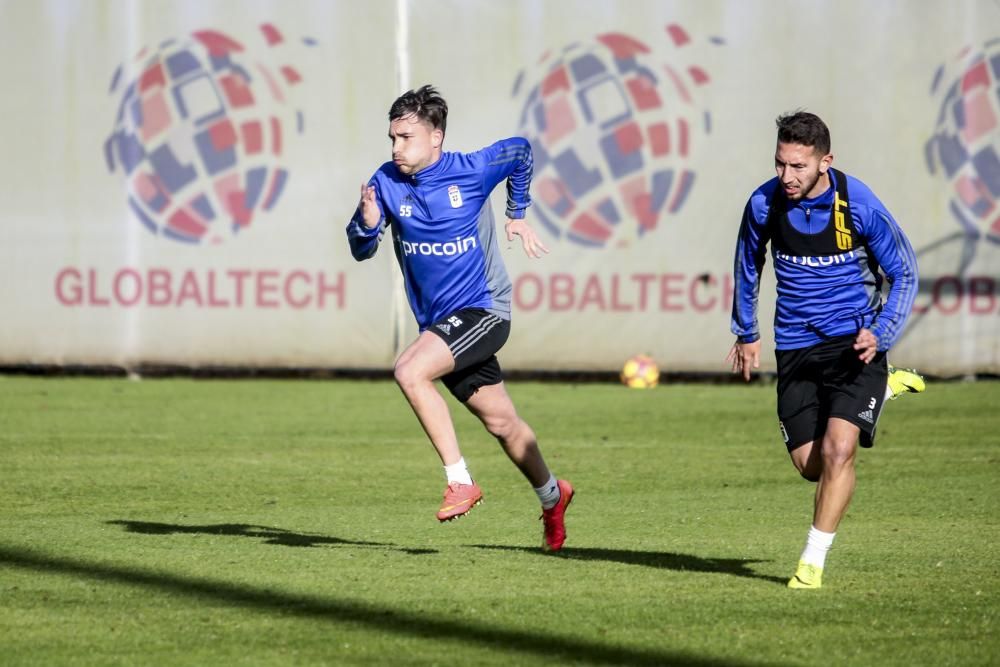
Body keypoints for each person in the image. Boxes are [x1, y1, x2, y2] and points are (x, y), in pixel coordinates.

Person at [347, 85, 574, 551]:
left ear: (436, 137)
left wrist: (517, 212)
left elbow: (521, 152)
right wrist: (368, 221)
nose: (395, 148)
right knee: (503, 425)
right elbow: (360, 248)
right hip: (442, 326)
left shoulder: (471, 170)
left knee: (409, 370)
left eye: (406, 137)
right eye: (392, 137)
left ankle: (460, 480)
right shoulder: (386, 181)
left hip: (485, 310)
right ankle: (553, 495)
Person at [727, 111, 921, 589]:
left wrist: (883, 332)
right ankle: (885, 392)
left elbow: (904, 272)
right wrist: (746, 332)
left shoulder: (859, 205)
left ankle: (812, 562)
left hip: (855, 346)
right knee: (811, 466)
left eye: (797, 166)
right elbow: (747, 266)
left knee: (839, 451)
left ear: (825, 162)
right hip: (794, 346)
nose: (786, 176)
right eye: (780, 164)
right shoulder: (763, 204)